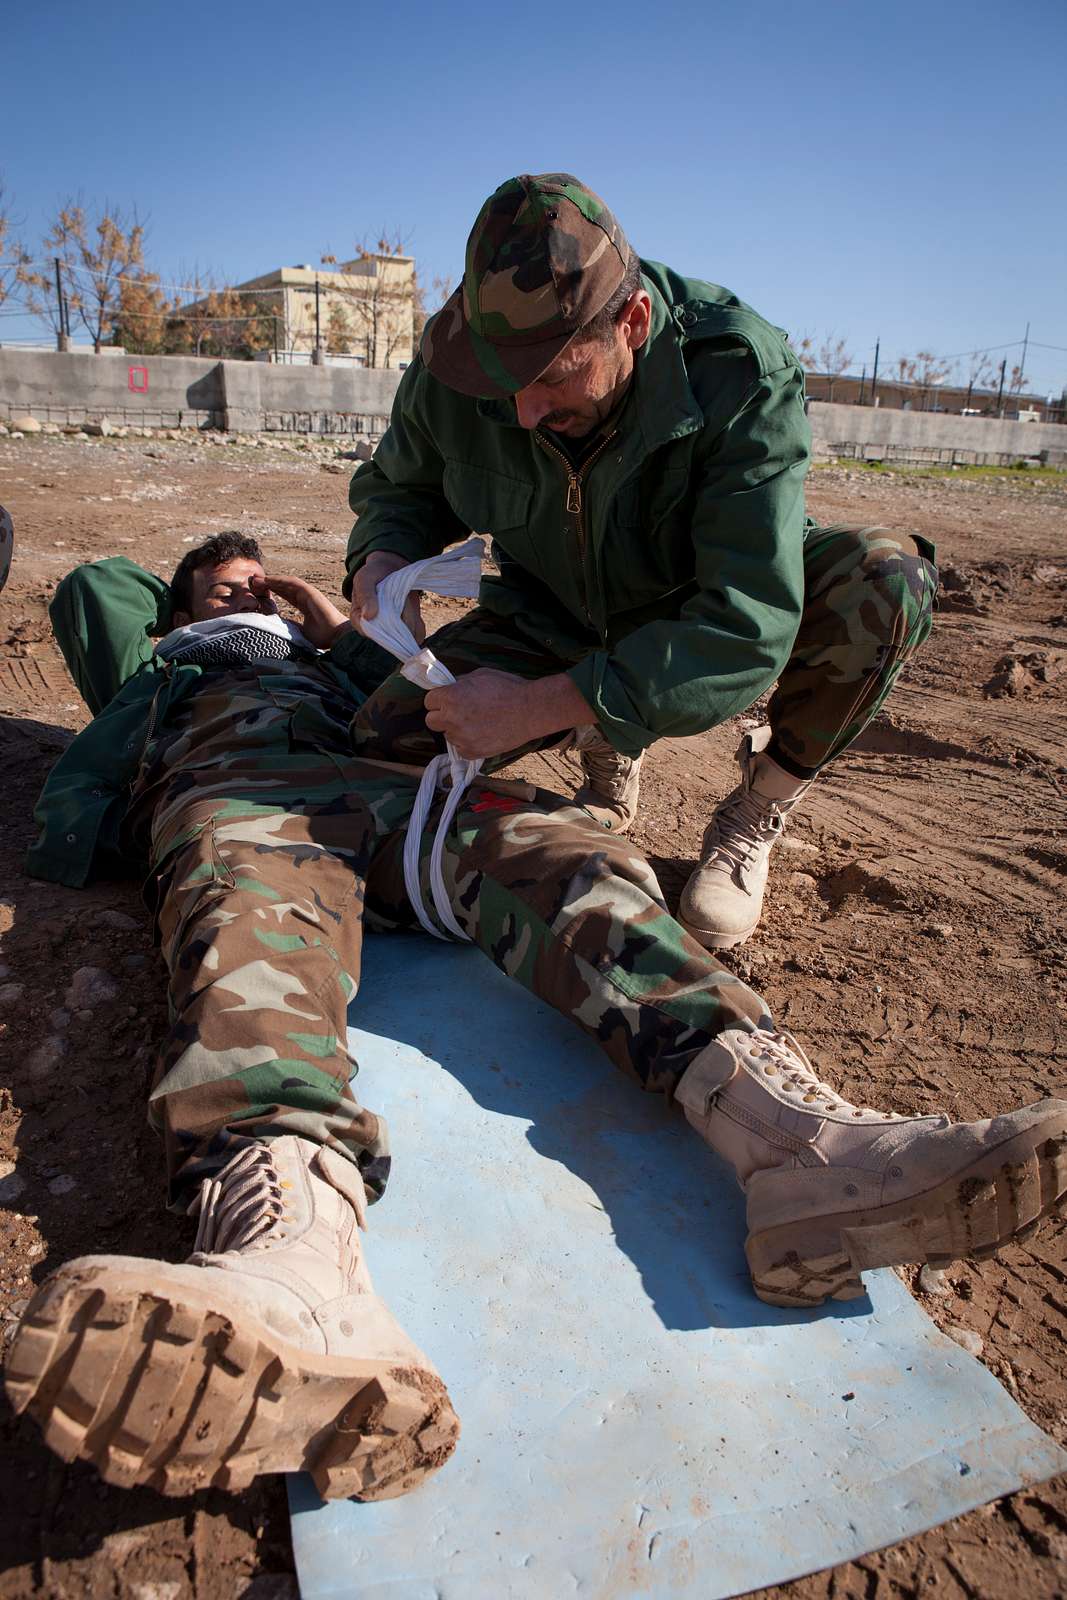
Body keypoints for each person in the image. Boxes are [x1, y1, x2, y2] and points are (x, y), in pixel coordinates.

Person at [7, 538, 1063, 1508]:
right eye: (218, 580)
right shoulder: (162, 667)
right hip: (241, 793)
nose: (244, 587)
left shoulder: (337, 655)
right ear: (175, 606)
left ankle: (794, 1145)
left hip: (397, 787)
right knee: (245, 932)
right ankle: (291, 1256)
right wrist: (199, 608)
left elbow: (427, 701)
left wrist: (339, 628)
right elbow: (96, 586)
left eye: (254, 574)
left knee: (578, 858)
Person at [344, 172, 938, 951]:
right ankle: (603, 748)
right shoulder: (468, 357)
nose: (523, 412)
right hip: (552, 606)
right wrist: (383, 556)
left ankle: (756, 808)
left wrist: (535, 706)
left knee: (884, 578)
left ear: (631, 320)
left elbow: (742, 624)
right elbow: (404, 485)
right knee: (387, 749)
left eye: (553, 376)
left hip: (689, 608)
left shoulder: (734, 368)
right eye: (505, 385)